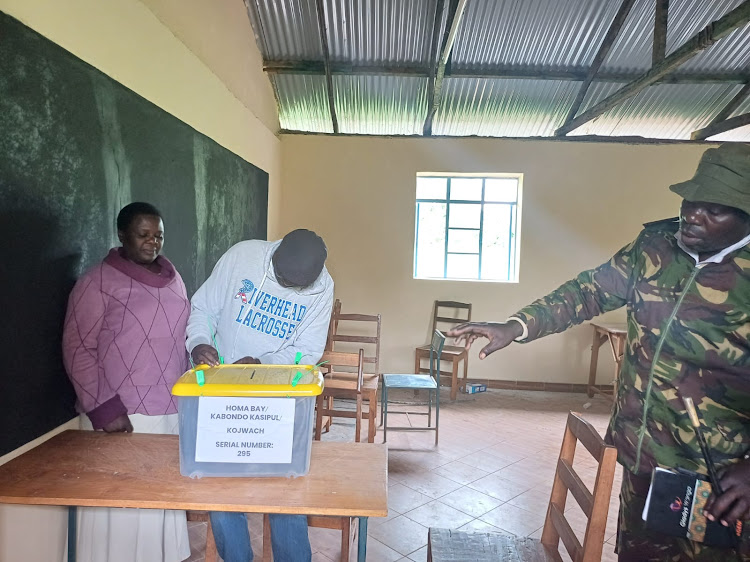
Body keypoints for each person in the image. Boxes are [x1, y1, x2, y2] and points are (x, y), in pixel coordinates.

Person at [447, 143, 750, 561]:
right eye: (690, 201)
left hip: (716, 474)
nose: (692, 215)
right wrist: (515, 326)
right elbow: (587, 292)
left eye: (713, 210)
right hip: (642, 454)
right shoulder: (656, 246)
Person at [186, 228, 334, 562]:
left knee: (286, 492)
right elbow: (203, 309)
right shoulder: (242, 257)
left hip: (278, 401)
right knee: (222, 490)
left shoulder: (323, 288)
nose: (290, 288)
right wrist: (198, 342)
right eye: (284, 279)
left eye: (299, 286)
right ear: (275, 252)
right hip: (221, 395)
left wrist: (262, 365)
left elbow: (307, 352)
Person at [62, 202, 191, 561]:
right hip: (123, 415)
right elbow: (77, 347)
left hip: (168, 407)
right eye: (143, 234)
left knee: (158, 498)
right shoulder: (97, 282)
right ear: (122, 235)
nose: (153, 243)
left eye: (159, 235)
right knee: (119, 503)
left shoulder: (174, 276)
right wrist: (105, 409)